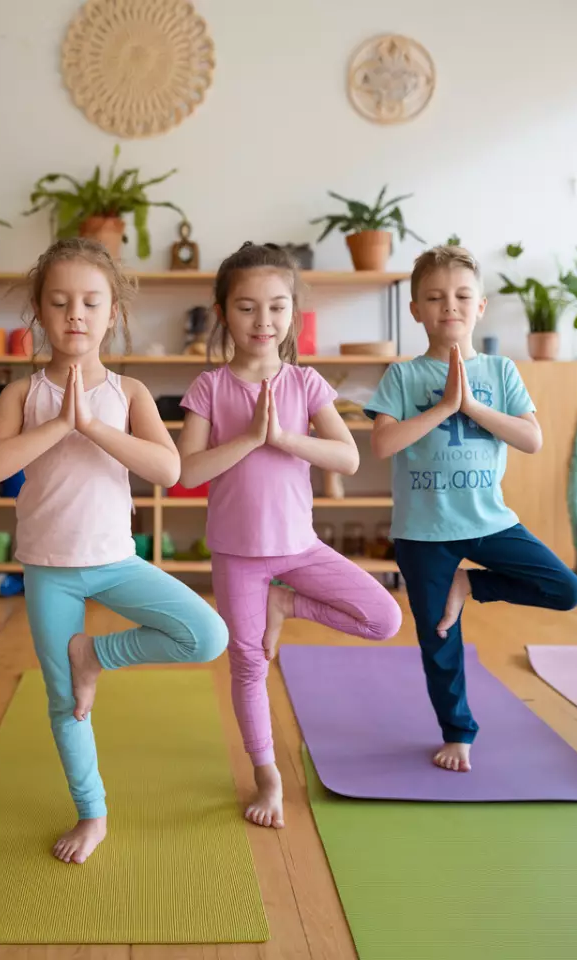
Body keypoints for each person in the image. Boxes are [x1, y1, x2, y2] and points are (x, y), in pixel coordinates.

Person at [0, 238, 228, 865]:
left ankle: (96, 656)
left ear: (112, 312)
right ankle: (92, 814)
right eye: (59, 302)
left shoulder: (128, 391)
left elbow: (169, 469)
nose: (75, 314)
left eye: (90, 302)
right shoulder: (22, 394)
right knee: (65, 704)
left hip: (116, 562)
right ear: (39, 313)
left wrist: (90, 423)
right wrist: (59, 422)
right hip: (48, 571)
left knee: (206, 634)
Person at [178, 242, 402, 829]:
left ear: (293, 313)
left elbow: (348, 457)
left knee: (384, 620)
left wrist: (283, 437)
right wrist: (250, 437)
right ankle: (267, 773)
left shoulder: (307, 384)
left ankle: (289, 601)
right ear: (223, 313)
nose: (263, 321)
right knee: (249, 663)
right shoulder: (208, 388)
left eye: (277, 307)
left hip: (301, 548)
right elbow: (185, 472)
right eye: (247, 308)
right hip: (235, 555)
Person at [365, 245, 577, 772]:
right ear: (416, 309)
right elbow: (383, 444)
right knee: (440, 639)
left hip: (490, 522)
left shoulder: (501, 370)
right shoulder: (402, 376)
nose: (450, 307)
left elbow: (530, 439)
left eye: (462, 296)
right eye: (435, 298)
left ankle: (471, 585)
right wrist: (442, 405)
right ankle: (458, 731)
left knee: (566, 589)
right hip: (423, 532)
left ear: (480, 306)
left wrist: (470, 405)